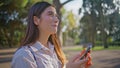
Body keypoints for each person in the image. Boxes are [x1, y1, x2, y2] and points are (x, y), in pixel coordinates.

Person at [11, 1, 91, 68]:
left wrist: (71, 65)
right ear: (36, 20)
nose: (56, 20)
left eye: (56, 16)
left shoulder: (55, 50)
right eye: (50, 14)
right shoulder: (24, 56)